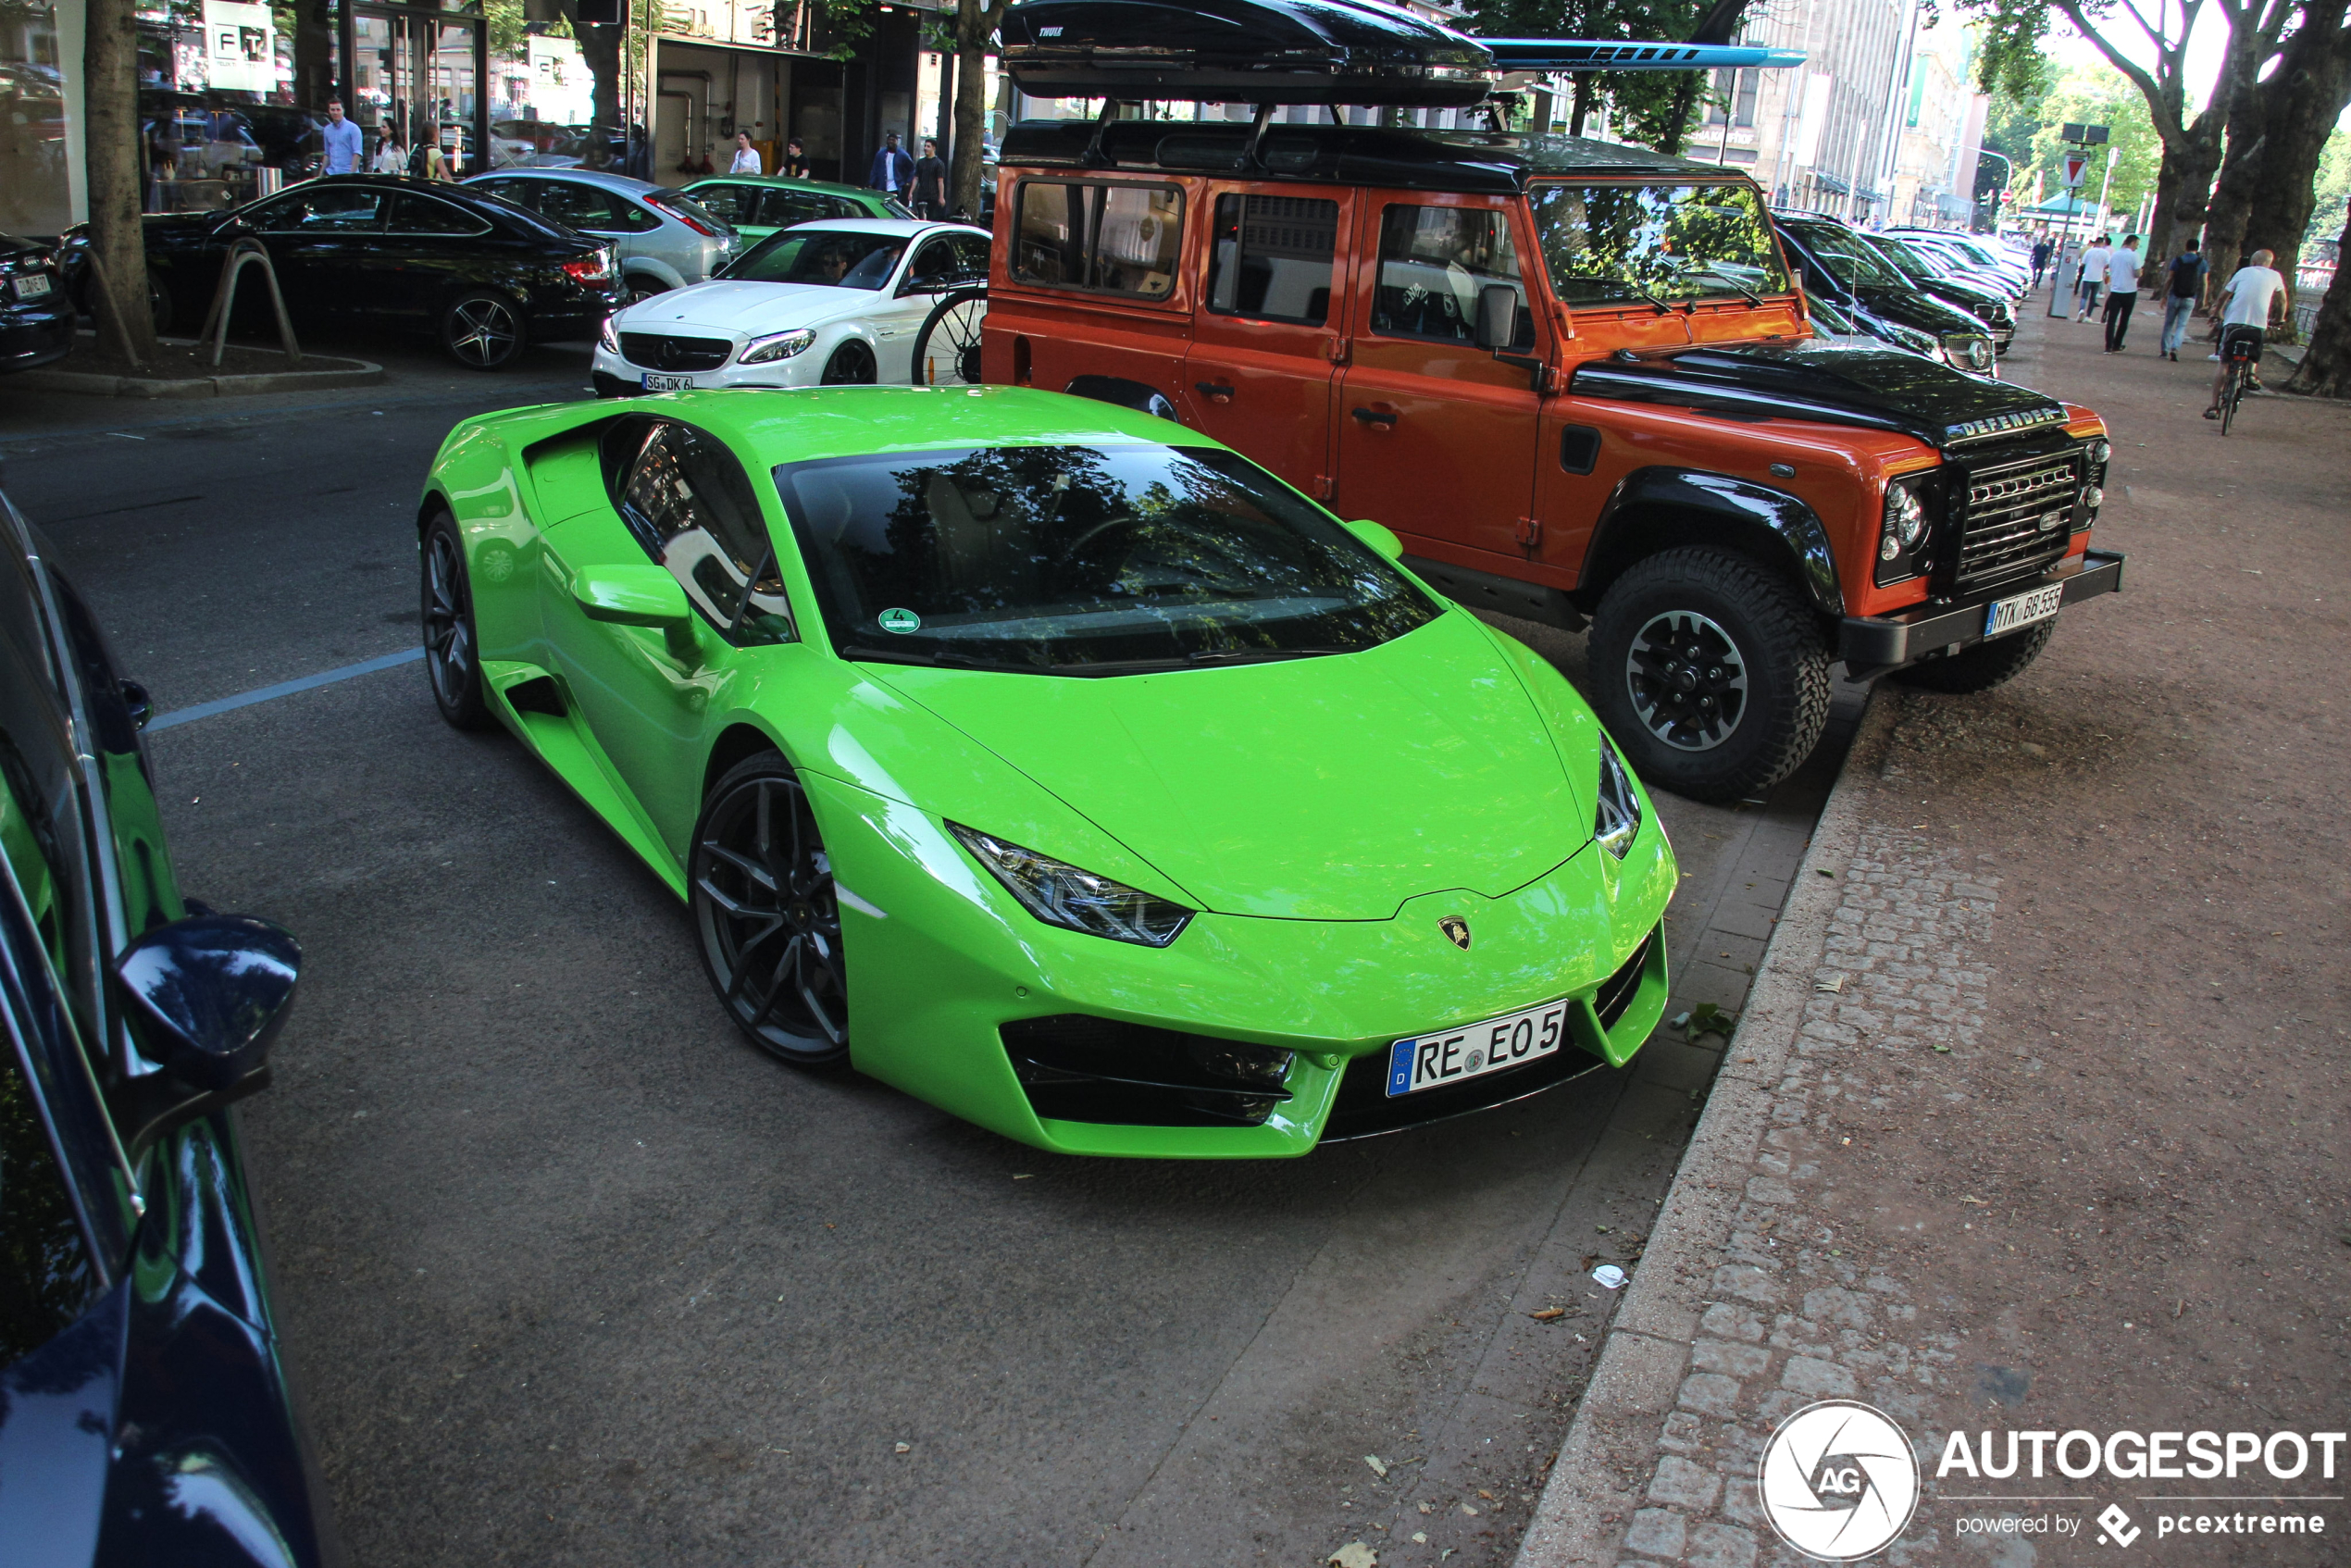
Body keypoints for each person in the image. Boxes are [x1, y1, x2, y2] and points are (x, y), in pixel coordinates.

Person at [2205, 247, 2290, 417]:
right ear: (2270, 263)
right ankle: (2251, 373)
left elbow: (2224, 296)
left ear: (2253, 262)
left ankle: (2214, 406)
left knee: (2224, 362)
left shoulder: (2243, 272)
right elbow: (2282, 300)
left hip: (2234, 323)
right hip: (2258, 324)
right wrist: (2280, 318)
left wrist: (2217, 312)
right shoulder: (2275, 276)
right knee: (2255, 349)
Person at [2159, 237, 2207, 360]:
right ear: (2197, 248)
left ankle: (2165, 349)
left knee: (2168, 324)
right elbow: (2205, 282)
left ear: (2186, 247)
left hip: (2175, 295)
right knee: (2182, 325)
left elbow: (2170, 278)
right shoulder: (2202, 262)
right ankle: (2175, 347)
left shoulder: (2178, 261)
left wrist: (2164, 295)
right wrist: (2204, 299)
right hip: (2190, 297)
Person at [2101, 233, 2142, 352]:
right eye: (2137, 244)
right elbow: (2137, 273)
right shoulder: (2135, 256)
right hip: (2129, 290)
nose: (2137, 247)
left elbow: (2109, 268)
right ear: (2132, 243)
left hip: (2115, 290)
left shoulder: (2115, 255)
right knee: (2124, 319)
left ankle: (2108, 345)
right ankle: (2117, 343)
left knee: (2111, 320)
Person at [320, 96, 364, 176]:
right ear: (329, 111)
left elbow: (357, 154)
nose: (335, 113)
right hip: (332, 174)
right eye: (332, 110)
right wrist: (320, 175)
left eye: (338, 109)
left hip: (348, 173)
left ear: (343, 110)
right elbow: (327, 154)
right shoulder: (327, 129)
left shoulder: (353, 128)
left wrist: (351, 175)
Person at [910, 136, 948, 218]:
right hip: (921, 195)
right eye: (925, 146)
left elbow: (940, 181)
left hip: (933, 197)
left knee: (931, 217)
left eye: (928, 146)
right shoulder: (920, 162)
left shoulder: (939, 163)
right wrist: (911, 192)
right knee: (921, 216)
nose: (925, 148)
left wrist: (941, 197)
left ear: (933, 148)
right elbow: (916, 178)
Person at [2074, 234, 2109, 321]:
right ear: (2103, 243)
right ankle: (2088, 316)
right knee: (2093, 297)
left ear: (2095, 243)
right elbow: (2108, 264)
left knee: (2084, 296)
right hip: (2098, 278)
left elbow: (2083, 263)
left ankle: (2081, 310)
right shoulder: (2105, 253)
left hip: (2087, 276)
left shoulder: (2089, 251)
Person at [869, 131, 913, 199]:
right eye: (889, 139)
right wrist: (871, 183)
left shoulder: (903, 155)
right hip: (882, 186)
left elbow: (912, 169)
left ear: (897, 141)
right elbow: (875, 169)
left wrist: (908, 182)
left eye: (893, 140)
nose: (891, 142)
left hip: (896, 187)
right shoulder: (880, 154)